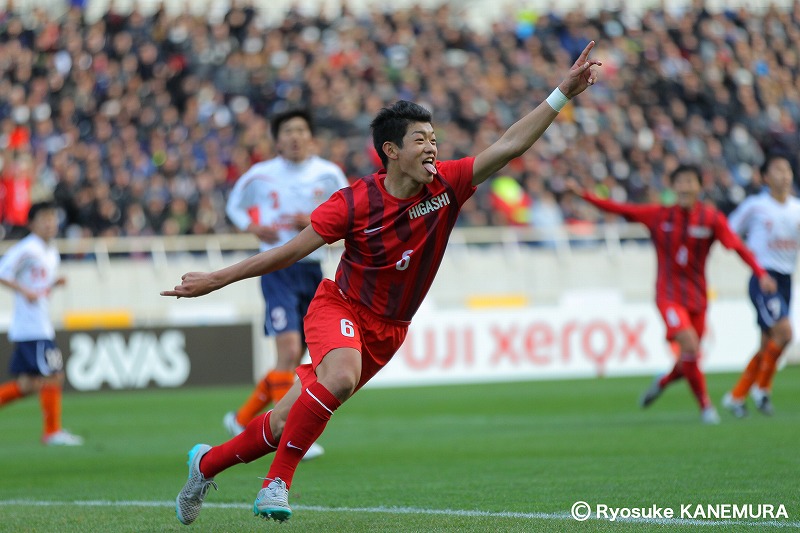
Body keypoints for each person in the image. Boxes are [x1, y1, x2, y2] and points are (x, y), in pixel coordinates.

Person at [163, 42, 601, 525]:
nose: (432, 147)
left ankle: (205, 464)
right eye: (420, 140)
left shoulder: (448, 185)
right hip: (341, 308)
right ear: (391, 151)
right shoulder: (352, 202)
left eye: (434, 138)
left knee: (286, 420)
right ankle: (277, 484)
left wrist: (564, 92)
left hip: (391, 329)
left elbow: (509, 145)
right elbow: (289, 250)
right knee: (341, 375)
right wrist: (217, 279)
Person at [567, 167, 776, 425]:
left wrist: (760, 272)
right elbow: (620, 209)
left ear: (700, 187)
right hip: (668, 296)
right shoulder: (659, 215)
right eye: (680, 182)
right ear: (673, 187)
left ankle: (664, 381)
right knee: (689, 345)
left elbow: (736, 246)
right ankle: (706, 407)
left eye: (690, 181)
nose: (685, 187)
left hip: (698, 298)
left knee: (690, 357)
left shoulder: (711, 219)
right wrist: (584, 196)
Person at [224, 109, 349, 460]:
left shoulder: (328, 173)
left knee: (307, 356)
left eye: (301, 130)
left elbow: (349, 212)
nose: (295, 136)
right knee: (289, 349)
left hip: (311, 269)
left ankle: (241, 418)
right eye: (288, 131)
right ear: (277, 139)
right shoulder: (260, 175)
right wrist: (251, 227)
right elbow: (234, 206)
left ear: (311, 137)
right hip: (277, 268)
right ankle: (287, 430)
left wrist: (314, 220)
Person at [0, 201, 83, 446]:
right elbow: (3, 272)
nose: (50, 223)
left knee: (28, 385)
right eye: (44, 218)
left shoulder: (51, 252)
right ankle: (52, 431)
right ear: (32, 223)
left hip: (39, 324)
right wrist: (24, 291)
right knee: (54, 375)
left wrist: (53, 285)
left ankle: (53, 431)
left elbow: (38, 286)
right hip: (31, 327)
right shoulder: (27, 248)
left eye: (52, 218)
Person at [722, 156, 800, 417]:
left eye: (787, 170)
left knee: (768, 342)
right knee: (785, 333)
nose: (784, 175)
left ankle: (736, 396)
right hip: (764, 278)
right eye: (777, 170)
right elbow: (729, 231)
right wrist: (750, 259)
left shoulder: (796, 208)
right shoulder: (756, 206)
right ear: (765, 177)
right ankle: (762, 390)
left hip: (786, 279)